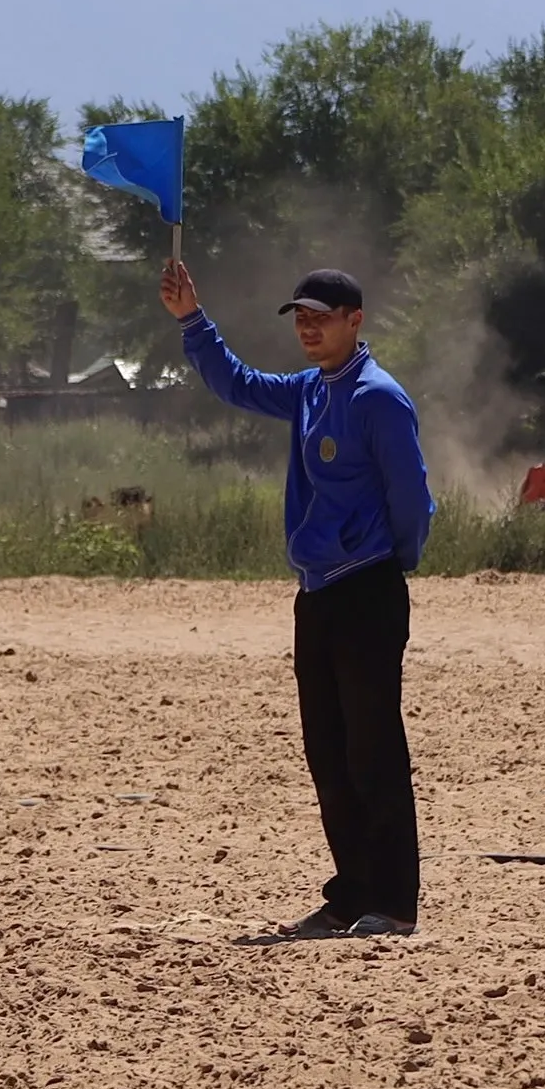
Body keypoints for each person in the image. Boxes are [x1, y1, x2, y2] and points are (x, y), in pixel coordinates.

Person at [160, 262, 435, 938]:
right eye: (300, 317)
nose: (308, 327)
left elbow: (413, 500)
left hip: (366, 587)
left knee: (373, 749)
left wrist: (389, 562)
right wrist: (192, 320)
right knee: (328, 751)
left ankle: (394, 902)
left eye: (320, 315)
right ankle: (348, 896)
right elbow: (238, 383)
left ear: (354, 320)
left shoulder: (379, 398)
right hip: (314, 594)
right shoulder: (310, 390)